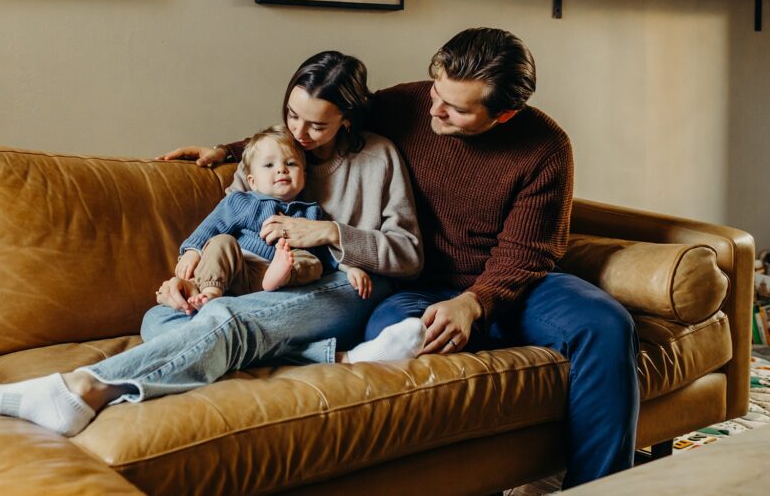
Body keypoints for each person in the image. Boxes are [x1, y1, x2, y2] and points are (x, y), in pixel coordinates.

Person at [180, 29, 639, 489]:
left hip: (514, 283)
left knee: (605, 324)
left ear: (504, 114)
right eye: (437, 91)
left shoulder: (545, 147)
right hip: (418, 286)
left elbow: (527, 253)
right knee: (389, 341)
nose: (435, 109)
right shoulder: (407, 104)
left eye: (457, 108)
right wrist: (231, 149)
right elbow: (317, 121)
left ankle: (600, 486)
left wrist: (474, 303)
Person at [0, 51, 425, 438]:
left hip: (344, 286)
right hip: (254, 285)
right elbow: (225, 226)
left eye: (317, 127)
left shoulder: (377, 157)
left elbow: (408, 253)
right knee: (160, 318)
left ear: (346, 120)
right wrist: (187, 271)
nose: (299, 136)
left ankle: (83, 389)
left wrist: (330, 233)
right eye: (291, 116)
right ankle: (340, 359)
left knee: (224, 317)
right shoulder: (268, 153)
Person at [175, 124, 372, 310]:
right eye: (269, 165)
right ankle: (211, 293)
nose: (281, 169)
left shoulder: (311, 212)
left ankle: (278, 277)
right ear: (252, 181)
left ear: (304, 176)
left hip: (282, 276)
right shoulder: (242, 201)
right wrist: (192, 251)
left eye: (291, 163)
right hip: (240, 270)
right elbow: (212, 225)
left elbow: (326, 252)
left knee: (311, 261)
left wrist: (349, 268)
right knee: (221, 242)